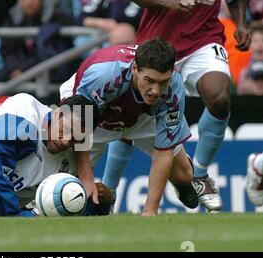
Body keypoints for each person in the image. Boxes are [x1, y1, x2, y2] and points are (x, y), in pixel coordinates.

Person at [102, 0, 251, 212]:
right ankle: (108, 190)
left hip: (203, 40)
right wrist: (170, 3)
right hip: (157, 46)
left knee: (220, 97)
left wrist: (242, 24)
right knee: (131, 116)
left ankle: (200, 174)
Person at [59, 37, 197, 216]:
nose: (155, 90)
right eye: (149, 80)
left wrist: (150, 211)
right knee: (69, 187)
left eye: (163, 82)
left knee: (184, 176)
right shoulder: (102, 75)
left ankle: (126, 137)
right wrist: (86, 178)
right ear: (134, 69)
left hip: (142, 116)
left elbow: (163, 153)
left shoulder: (174, 86)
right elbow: (80, 125)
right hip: (90, 116)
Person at [237, 21, 263, 95]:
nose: (260, 44)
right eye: (255, 41)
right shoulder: (244, 73)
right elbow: (239, 94)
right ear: (249, 46)